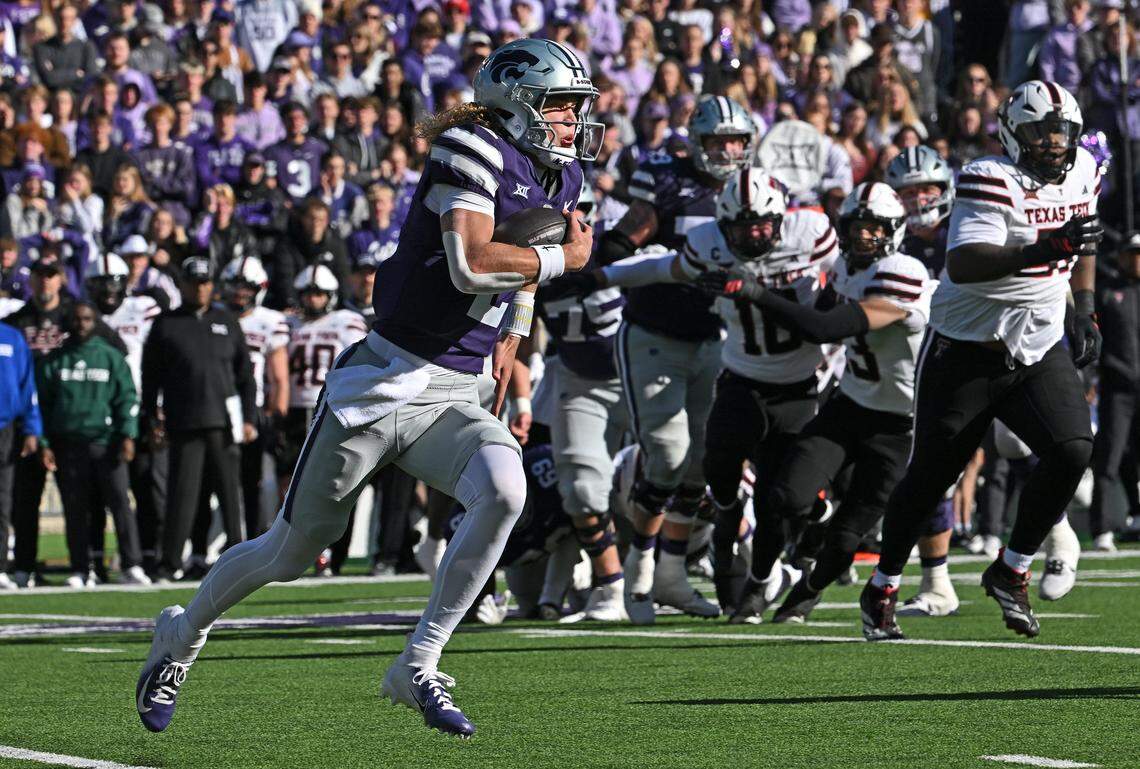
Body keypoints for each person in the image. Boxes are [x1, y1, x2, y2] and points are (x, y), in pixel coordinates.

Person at [135, 38, 596, 738]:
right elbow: (472, 263)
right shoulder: (469, 148)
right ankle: (182, 632)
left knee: (505, 489)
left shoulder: (562, 177)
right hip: (386, 378)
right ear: (518, 101)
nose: (572, 120)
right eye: (561, 105)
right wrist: (564, 257)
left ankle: (417, 663)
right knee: (289, 550)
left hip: (454, 388)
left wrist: (513, 336)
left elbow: (521, 277)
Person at [860, 81, 1103, 641]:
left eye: (1061, 132)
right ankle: (884, 586)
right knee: (930, 479)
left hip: (1038, 344)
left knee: (1072, 450)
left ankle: (1011, 568)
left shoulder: (1085, 167)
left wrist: (1084, 308)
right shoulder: (989, 177)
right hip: (965, 350)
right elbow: (965, 263)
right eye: (1040, 132)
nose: (1053, 143)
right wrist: (1046, 248)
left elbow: (1084, 239)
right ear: (1013, 134)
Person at [593, 166, 838, 617]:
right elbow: (666, 268)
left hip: (801, 384)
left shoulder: (813, 233)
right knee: (718, 481)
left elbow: (845, 289)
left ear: (782, 219)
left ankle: (770, 575)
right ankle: (722, 554)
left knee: (782, 498)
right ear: (724, 226)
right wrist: (603, 276)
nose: (754, 237)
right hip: (742, 379)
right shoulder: (709, 243)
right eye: (742, 228)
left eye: (763, 225)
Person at [712, 182, 934, 622]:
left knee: (851, 533)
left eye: (875, 229)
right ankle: (761, 581)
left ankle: (807, 591)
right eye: (856, 227)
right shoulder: (848, 269)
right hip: (849, 404)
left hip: (900, 425)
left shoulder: (902, 271)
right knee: (784, 497)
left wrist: (757, 293)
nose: (864, 238)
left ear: (894, 231)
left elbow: (823, 327)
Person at [598, 95, 756, 623]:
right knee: (665, 455)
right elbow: (633, 233)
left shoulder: (751, 187)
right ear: (697, 141)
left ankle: (671, 574)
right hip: (656, 332)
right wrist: (616, 250)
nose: (729, 151)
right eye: (719, 142)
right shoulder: (664, 175)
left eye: (737, 141)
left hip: (717, 336)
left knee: (701, 462)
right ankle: (639, 567)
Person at [532, 182, 628, 621]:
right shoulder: (535, 265)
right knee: (582, 489)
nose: (574, 227)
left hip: (639, 372)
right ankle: (610, 587)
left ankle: (668, 571)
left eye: (581, 215)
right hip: (578, 377)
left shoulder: (620, 252)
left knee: (675, 468)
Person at [141, 257, 256, 583]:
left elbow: (245, 375)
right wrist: (151, 418)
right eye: (193, 282)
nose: (200, 287)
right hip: (184, 422)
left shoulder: (227, 321)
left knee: (230, 495)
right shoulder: (166, 323)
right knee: (183, 495)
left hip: (223, 422)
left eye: (205, 282)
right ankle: (169, 563)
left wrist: (248, 417)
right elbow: (151, 378)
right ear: (182, 285)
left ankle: (239, 562)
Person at [882, 144, 961, 618]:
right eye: (906, 192)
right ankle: (936, 582)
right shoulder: (887, 239)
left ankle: (1055, 532)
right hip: (906, 365)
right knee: (930, 471)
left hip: (970, 356)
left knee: (1016, 447)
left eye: (925, 189)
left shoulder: (965, 231)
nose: (916, 200)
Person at [36, 301, 147, 587]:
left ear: (95, 321)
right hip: (69, 445)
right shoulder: (54, 360)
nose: (81, 324)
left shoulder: (110, 357)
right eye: (75, 319)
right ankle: (81, 568)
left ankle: (131, 564)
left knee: (120, 504)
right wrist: (45, 443)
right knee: (75, 509)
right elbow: (43, 408)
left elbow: (126, 398)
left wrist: (127, 435)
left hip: (106, 444)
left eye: (86, 318)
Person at [276, 264, 367, 574]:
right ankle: (295, 548)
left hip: (330, 409)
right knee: (289, 484)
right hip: (293, 411)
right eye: (307, 293)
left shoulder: (347, 322)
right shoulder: (286, 324)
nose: (312, 299)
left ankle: (333, 554)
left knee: (334, 482)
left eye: (318, 293)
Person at [85, 250, 166, 574]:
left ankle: (149, 555)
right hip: (100, 414)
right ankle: (93, 562)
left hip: (142, 408)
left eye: (113, 283)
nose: (108, 291)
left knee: (149, 487)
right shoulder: (83, 315)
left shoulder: (143, 308)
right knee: (99, 494)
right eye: (101, 284)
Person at [220, 256, 290, 539]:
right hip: (219, 407)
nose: (240, 293)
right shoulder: (215, 316)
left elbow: (279, 379)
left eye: (246, 287)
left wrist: (276, 418)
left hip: (254, 410)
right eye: (235, 286)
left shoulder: (269, 321)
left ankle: (255, 537)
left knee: (256, 482)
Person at [1090, 232, 1140, 553]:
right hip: (1117, 387)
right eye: (1132, 254)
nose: (1136, 259)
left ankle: (1136, 515)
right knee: (1108, 457)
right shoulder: (1107, 293)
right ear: (1121, 257)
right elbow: (1093, 342)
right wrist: (1089, 381)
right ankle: (1103, 527)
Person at [0, 319, 40, 590]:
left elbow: (27, 387)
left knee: (2, 502)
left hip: (5, 429)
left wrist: (31, 429)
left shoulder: (12, 337)